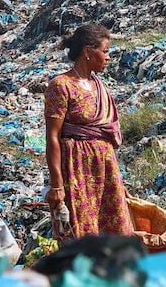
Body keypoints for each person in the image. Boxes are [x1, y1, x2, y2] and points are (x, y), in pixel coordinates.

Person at [44, 23, 134, 240]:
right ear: (87, 52)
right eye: (105, 51)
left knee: (116, 228)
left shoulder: (99, 86)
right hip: (77, 168)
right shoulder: (61, 85)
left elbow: (106, 132)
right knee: (82, 230)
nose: (108, 57)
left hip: (106, 167)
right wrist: (57, 184)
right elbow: (53, 137)